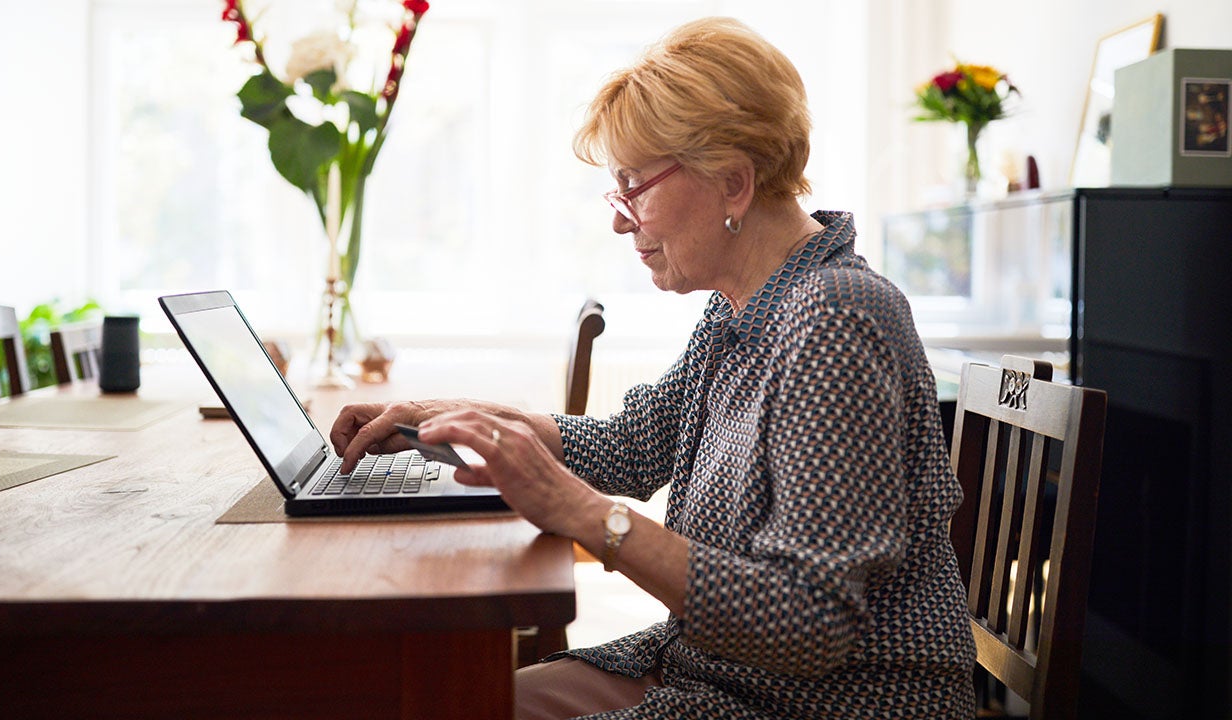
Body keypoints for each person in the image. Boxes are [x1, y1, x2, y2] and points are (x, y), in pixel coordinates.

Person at [330, 16, 975, 719]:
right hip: (721, 675)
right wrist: (462, 420)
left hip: (826, 702)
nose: (619, 217)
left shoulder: (836, 319)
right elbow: (633, 446)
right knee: (445, 700)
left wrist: (580, 512)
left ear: (733, 182)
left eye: (634, 184)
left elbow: (810, 623)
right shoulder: (745, 305)